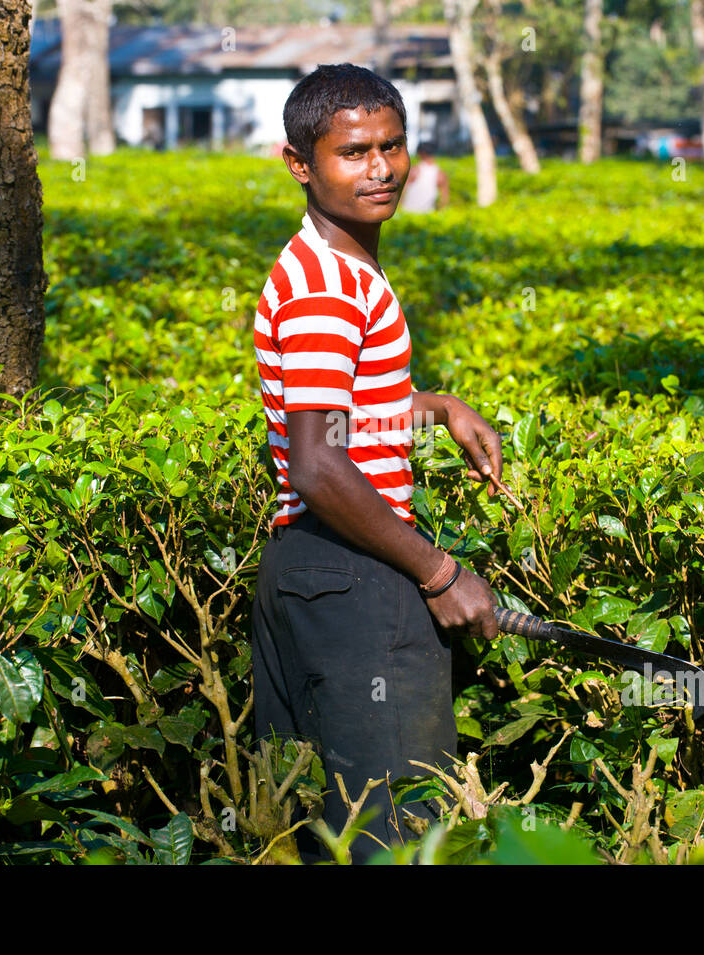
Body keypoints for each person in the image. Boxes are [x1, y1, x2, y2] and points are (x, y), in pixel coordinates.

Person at [249, 63, 501, 863]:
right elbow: (320, 464)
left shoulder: (331, 267)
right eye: (353, 152)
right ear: (300, 163)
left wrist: (432, 405)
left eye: (392, 146)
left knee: (337, 834)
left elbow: (332, 406)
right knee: (398, 840)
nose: (381, 168)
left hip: (309, 570)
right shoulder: (328, 287)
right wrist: (438, 572)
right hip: (356, 576)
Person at [399, 143, 450, 213]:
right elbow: (444, 200)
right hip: (428, 216)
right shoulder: (441, 174)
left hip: (408, 214)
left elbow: (401, 192)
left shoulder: (414, 170)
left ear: (420, 153)